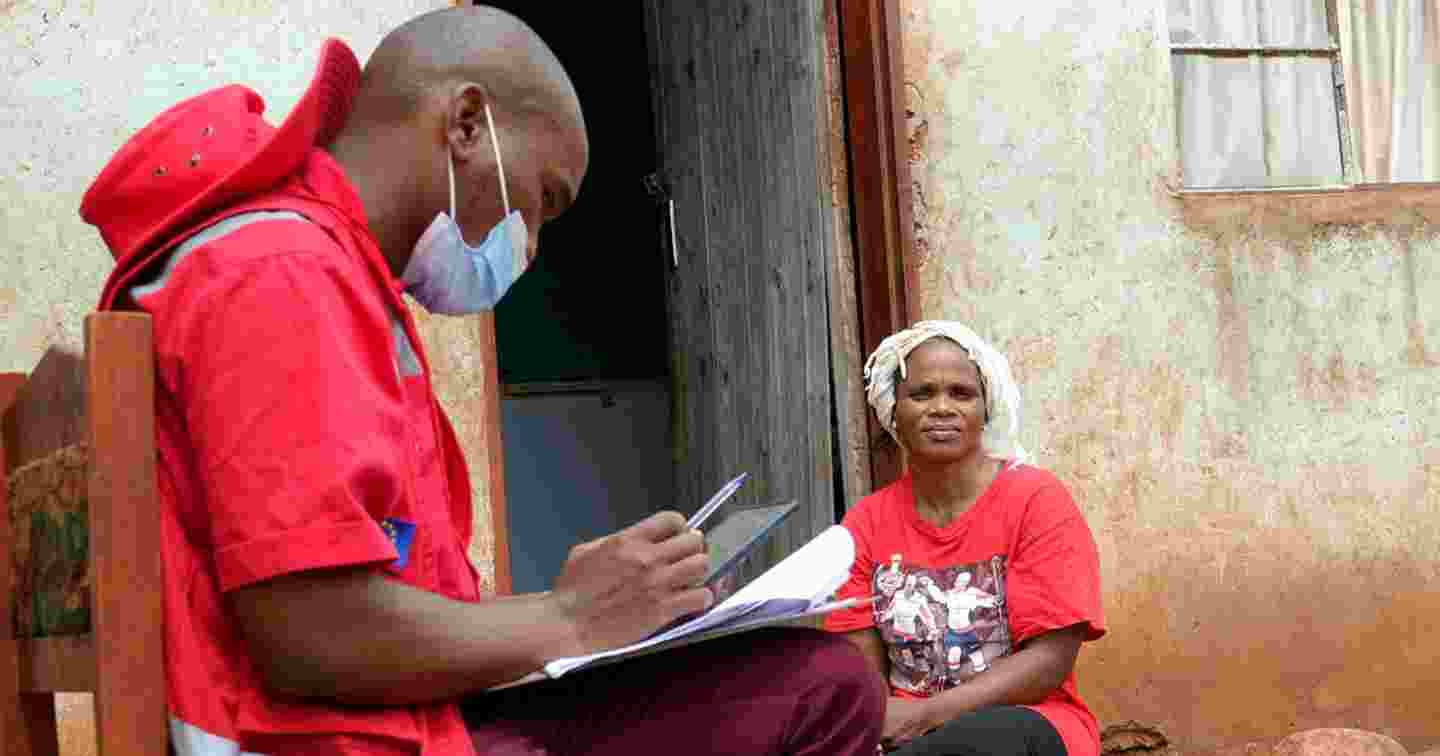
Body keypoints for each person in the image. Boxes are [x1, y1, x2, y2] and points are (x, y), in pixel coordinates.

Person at [78, 6, 882, 755]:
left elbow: (343, 601)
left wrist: (579, 614)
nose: (526, 245)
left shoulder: (324, 273)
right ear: (466, 124)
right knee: (824, 687)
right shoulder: (283, 273)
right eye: (541, 202)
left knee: (788, 670)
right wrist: (563, 619)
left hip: (376, 716)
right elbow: (309, 634)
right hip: (332, 737)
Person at [823, 321, 1105, 756]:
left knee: (992, 740)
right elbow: (860, 668)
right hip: (905, 735)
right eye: (922, 394)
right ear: (892, 410)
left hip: (1027, 720)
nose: (941, 408)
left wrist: (925, 715)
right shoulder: (865, 524)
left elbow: (1050, 662)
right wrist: (884, 721)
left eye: (961, 394)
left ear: (985, 408)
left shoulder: (1036, 501)